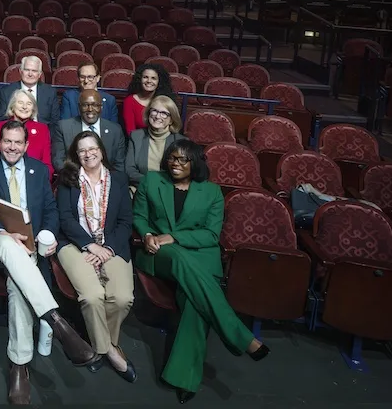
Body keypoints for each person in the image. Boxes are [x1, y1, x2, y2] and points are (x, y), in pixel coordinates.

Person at [0, 120, 103, 403]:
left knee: (18, 284)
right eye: (7, 141)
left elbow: (51, 210)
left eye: (18, 142)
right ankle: (57, 320)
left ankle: (19, 365)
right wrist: (2, 232)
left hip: (27, 248)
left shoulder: (39, 170)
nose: (12, 147)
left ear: (26, 145)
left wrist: (48, 235)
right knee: (9, 246)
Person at [133, 140, 269, 403]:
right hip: (161, 254)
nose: (176, 163)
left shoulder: (212, 192)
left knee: (194, 305)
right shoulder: (152, 181)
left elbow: (211, 235)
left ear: (195, 163)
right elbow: (139, 216)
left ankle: (183, 378)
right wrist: (148, 234)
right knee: (178, 258)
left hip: (200, 257)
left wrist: (173, 236)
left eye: (183, 159)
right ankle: (238, 334)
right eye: (172, 158)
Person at [55, 130, 136, 382]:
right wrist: (90, 245)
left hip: (112, 244)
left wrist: (107, 248)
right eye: (82, 150)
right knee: (92, 297)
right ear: (76, 155)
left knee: (122, 298)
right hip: (75, 243)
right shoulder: (68, 179)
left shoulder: (119, 179)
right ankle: (109, 350)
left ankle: (100, 344)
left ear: (101, 150)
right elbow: (65, 219)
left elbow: (125, 221)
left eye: (92, 148)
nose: (88, 154)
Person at [52, 89, 127, 175]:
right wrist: (80, 178)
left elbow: (119, 165)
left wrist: (105, 180)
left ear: (101, 107)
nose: (90, 109)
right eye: (85, 105)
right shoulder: (63, 127)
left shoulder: (115, 130)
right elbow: (59, 161)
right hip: (73, 178)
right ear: (79, 107)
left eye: (95, 105)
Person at [125, 95, 189, 188]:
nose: (157, 116)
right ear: (148, 113)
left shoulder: (181, 141)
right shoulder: (136, 136)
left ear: (171, 120)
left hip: (169, 188)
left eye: (164, 113)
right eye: (154, 111)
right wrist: (150, 183)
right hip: (141, 186)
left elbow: (182, 173)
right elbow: (129, 170)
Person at [0, 89, 54, 178]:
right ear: (12, 106)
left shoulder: (42, 129)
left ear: (33, 108)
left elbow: (47, 165)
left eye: (29, 104)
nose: (24, 107)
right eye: (20, 102)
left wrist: (40, 181)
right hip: (2, 178)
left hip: (34, 178)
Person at [0, 55, 60, 126]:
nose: (30, 74)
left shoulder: (50, 92)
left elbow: (55, 122)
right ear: (21, 71)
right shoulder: (6, 91)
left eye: (34, 71)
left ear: (39, 74)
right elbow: (2, 120)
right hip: (14, 130)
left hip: (42, 131)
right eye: (27, 70)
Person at [122, 63, 176, 136]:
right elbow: (130, 132)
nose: (149, 81)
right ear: (140, 79)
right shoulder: (130, 101)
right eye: (145, 77)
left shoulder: (166, 101)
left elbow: (172, 127)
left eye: (153, 78)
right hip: (138, 140)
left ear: (159, 81)